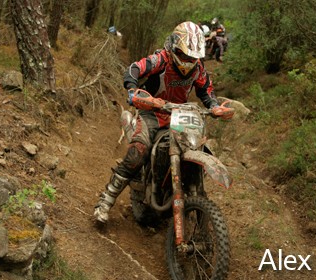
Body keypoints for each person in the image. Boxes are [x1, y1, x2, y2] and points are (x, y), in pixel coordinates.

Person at [94, 21, 234, 223]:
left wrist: (214, 106)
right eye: (185, 55)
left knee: (198, 148)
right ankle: (106, 200)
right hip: (152, 111)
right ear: (175, 48)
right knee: (138, 151)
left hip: (180, 115)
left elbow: (206, 91)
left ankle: (191, 199)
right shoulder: (160, 59)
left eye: (193, 57)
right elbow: (134, 69)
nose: (189, 60)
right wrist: (133, 91)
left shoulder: (198, 68)